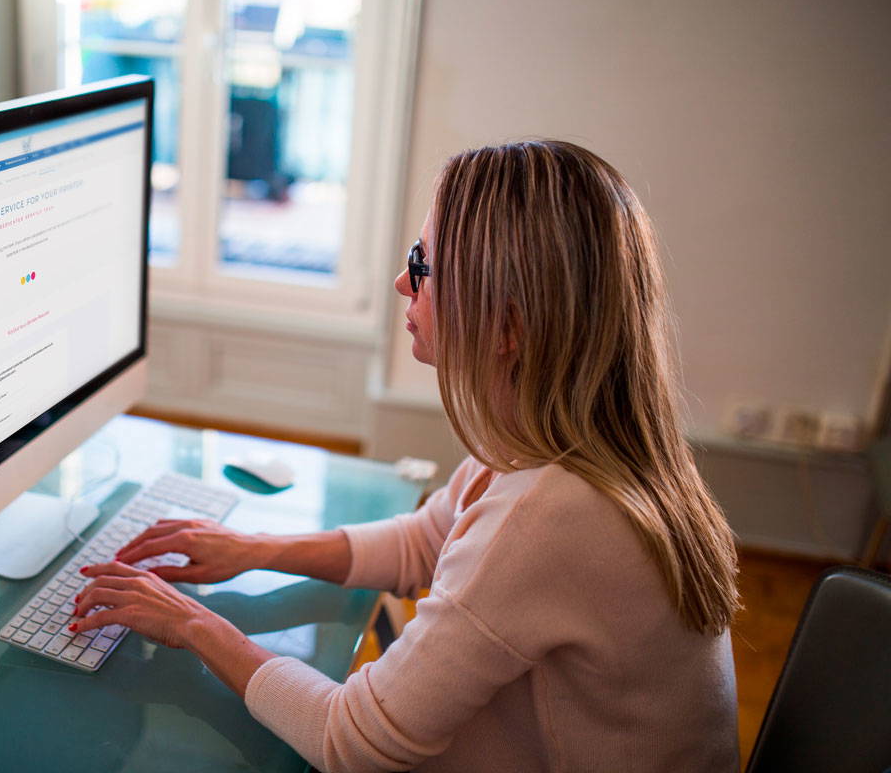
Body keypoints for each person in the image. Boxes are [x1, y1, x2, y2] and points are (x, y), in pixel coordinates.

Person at [69, 141, 741, 772]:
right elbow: (425, 540)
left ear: (507, 327)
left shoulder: (553, 513)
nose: (400, 281)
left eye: (422, 266)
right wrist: (255, 548)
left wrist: (189, 621)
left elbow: (351, 739)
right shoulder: (569, 440)